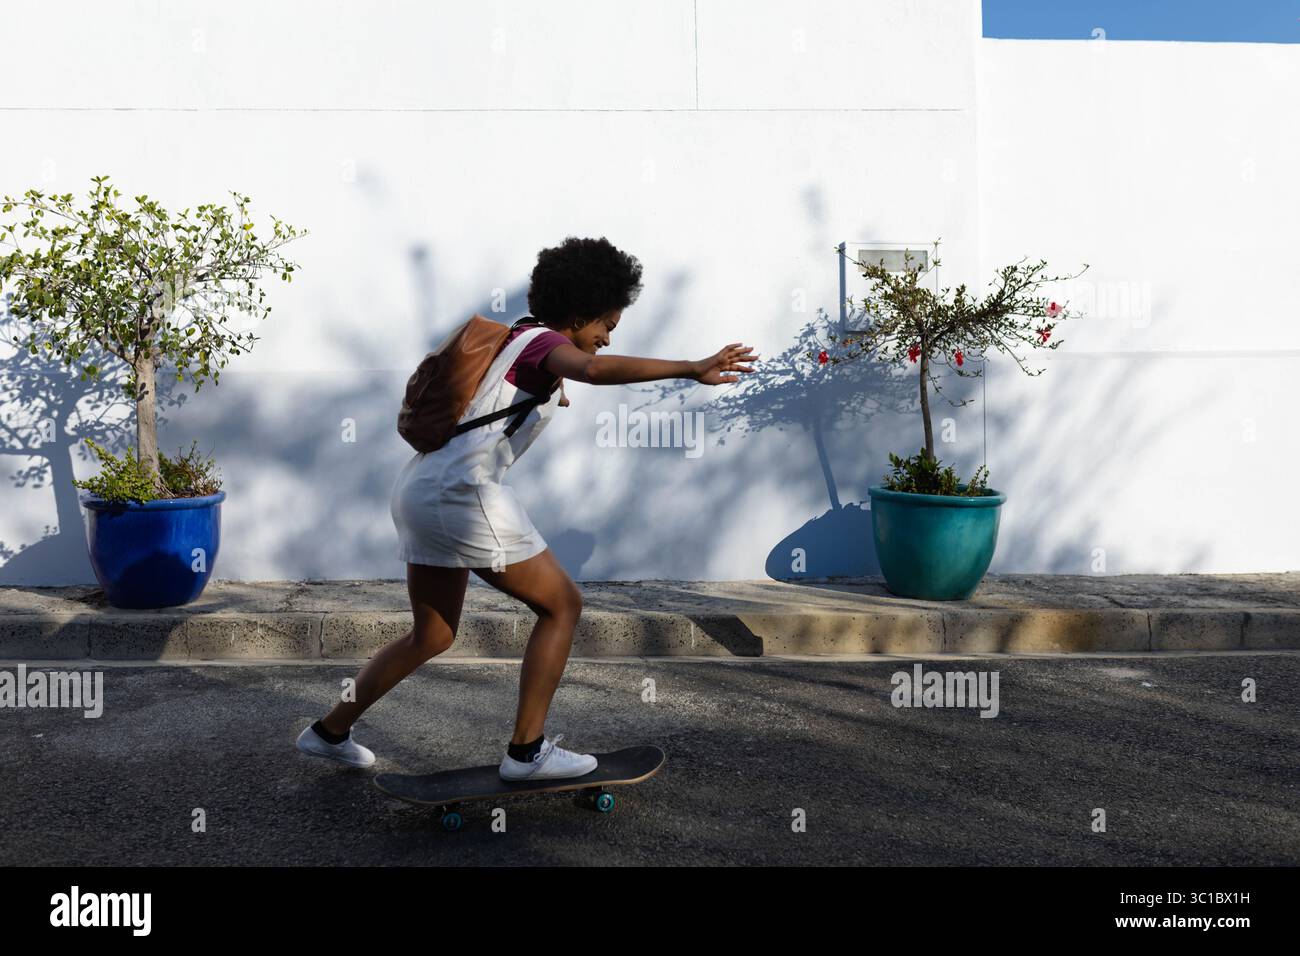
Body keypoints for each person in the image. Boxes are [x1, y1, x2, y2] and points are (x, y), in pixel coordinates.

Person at [296, 236, 757, 780]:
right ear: (579, 313)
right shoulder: (541, 345)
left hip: (421, 488)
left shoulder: (517, 338)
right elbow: (590, 371)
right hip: (462, 494)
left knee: (433, 635)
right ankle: (527, 752)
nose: (608, 338)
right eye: (606, 325)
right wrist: (689, 367)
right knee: (562, 606)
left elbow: (552, 378)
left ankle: (328, 732)